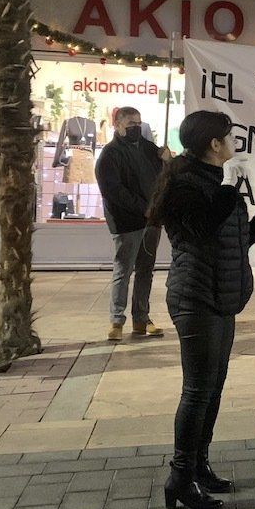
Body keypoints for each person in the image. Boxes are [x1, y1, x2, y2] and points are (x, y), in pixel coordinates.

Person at [145, 110, 255, 509]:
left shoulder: (217, 184)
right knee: (197, 390)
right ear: (214, 144)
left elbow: (234, 240)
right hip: (195, 298)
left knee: (213, 388)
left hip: (221, 297)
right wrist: (229, 189)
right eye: (230, 136)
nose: (235, 142)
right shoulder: (185, 184)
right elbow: (201, 230)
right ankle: (180, 478)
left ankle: (199, 467)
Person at [95, 106, 171, 341]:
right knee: (123, 270)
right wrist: (142, 208)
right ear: (117, 125)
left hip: (151, 221)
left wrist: (167, 161)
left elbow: (165, 178)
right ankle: (117, 320)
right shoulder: (110, 154)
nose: (136, 128)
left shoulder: (149, 149)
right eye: (130, 124)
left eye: (139, 123)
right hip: (127, 222)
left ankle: (141, 318)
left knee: (146, 270)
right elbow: (113, 191)